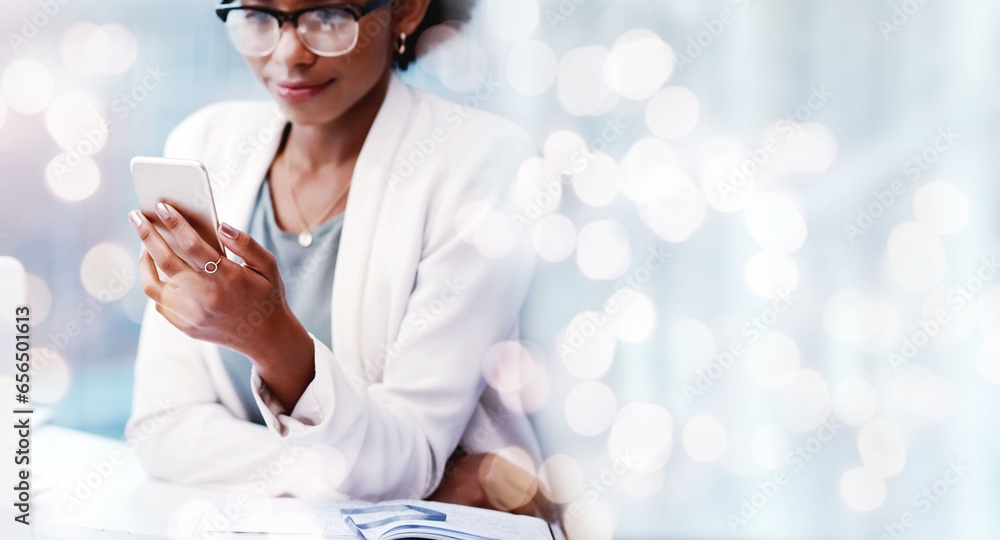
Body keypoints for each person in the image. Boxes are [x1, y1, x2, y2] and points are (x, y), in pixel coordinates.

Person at [124, 0, 560, 530]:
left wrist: (268, 336)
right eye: (260, 18)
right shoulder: (206, 142)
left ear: (404, 12)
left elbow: (408, 452)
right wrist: (409, 479)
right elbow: (163, 432)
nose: (288, 54)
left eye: (327, 18)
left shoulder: (483, 160)